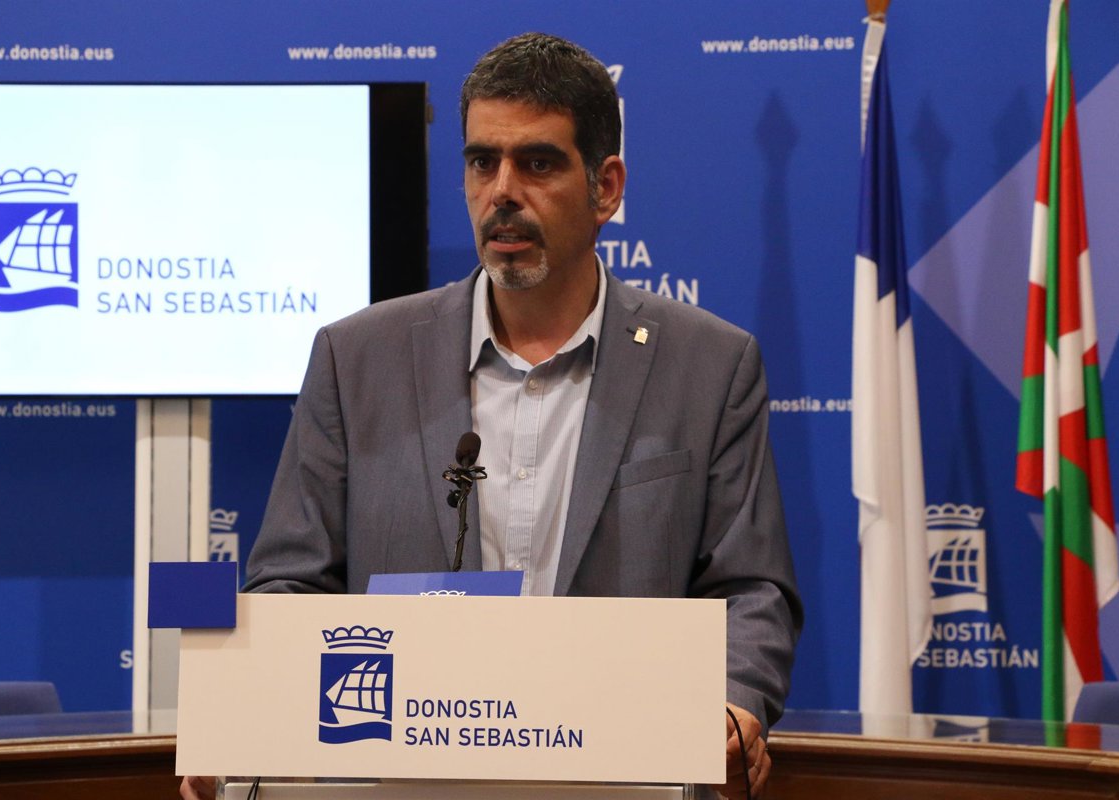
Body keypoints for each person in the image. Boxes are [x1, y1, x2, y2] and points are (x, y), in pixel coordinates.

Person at [183, 32, 801, 800]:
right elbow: (291, 582)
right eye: (482, 162)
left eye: (537, 164)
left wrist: (733, 708)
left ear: (606, 188)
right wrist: (245, 713)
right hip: (401, 782)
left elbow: (751, 589)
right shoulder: (358, 358)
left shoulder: (708, 366)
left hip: (624, 780)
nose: (502, 191)